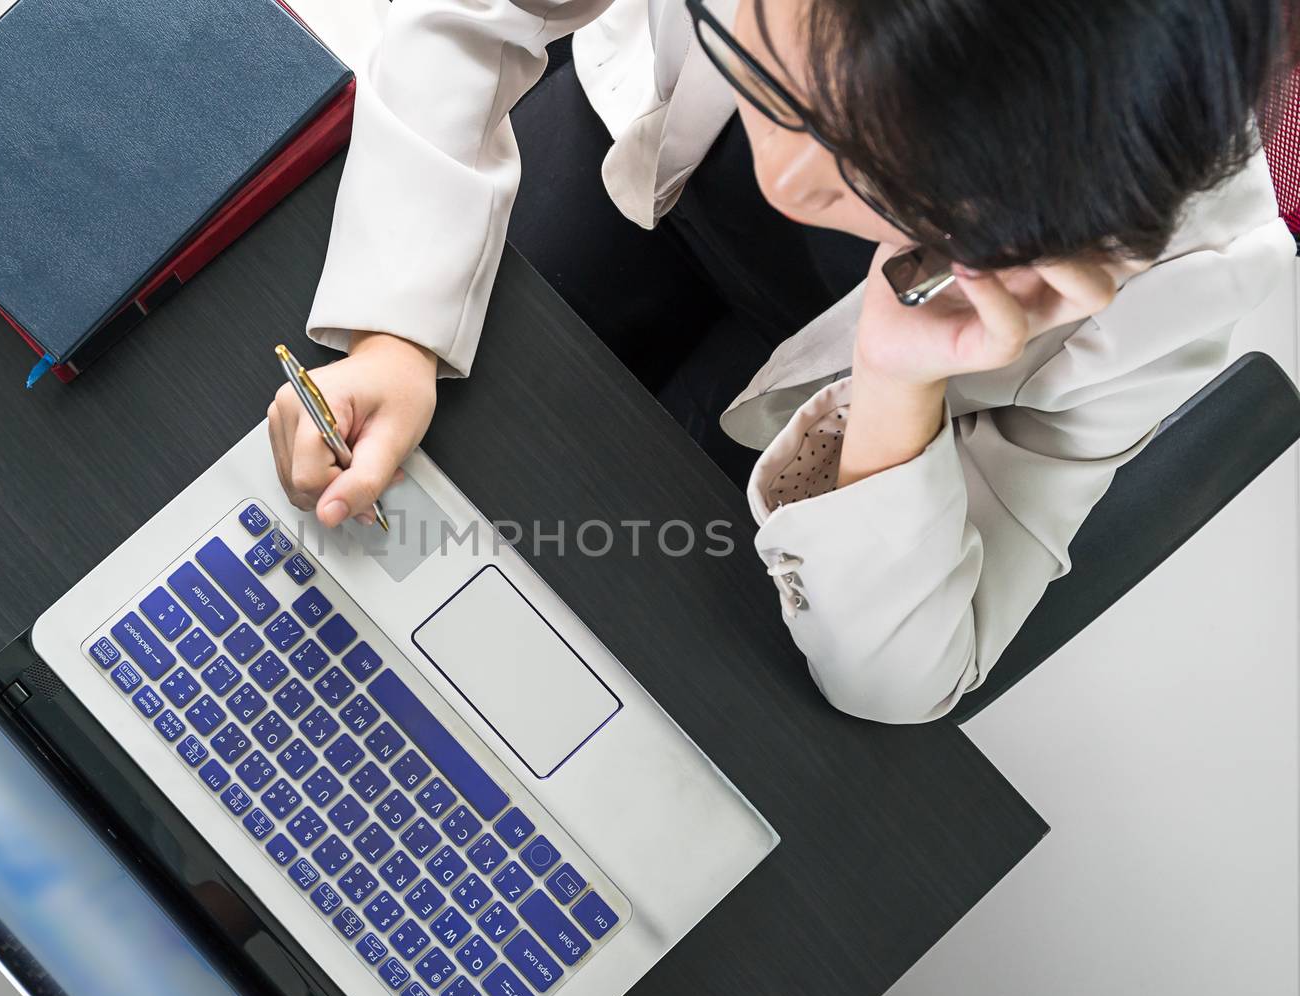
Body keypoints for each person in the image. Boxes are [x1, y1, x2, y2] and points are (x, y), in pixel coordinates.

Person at [268, 0, 1296, 724]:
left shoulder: (1186, 268)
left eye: (868, 162)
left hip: (837, 379)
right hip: (636, 148)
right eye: (773, 69)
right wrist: (396, 330)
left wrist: (898, 378)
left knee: (570, 647)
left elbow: (898, 681)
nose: (793, 178)